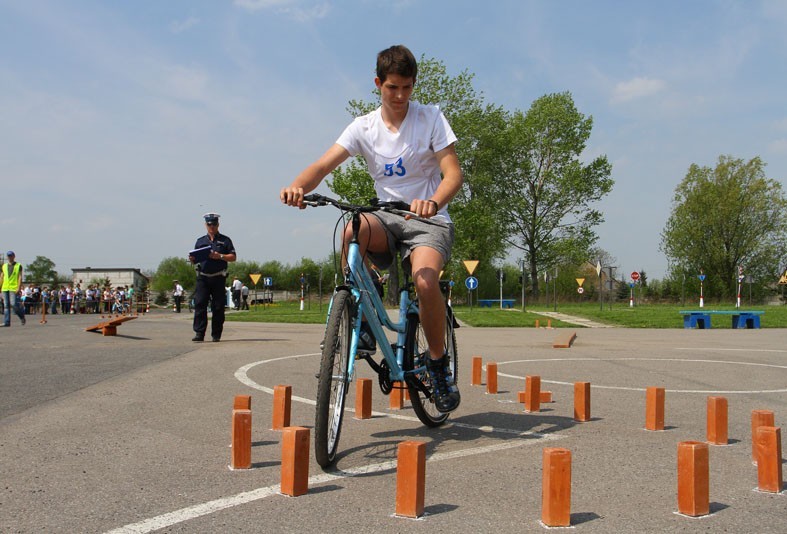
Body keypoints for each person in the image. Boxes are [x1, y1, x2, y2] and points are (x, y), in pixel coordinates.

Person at [280, 45, 462, 413]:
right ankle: (362, 316)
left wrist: (434, 201)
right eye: (392, 87)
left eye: (407, 88)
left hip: (427, 219)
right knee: (352, 230)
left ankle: (438, 365)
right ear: (378, 83)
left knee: (425, 281)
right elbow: (322, 166)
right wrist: (297, 186)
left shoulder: (430, 119)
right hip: (386, 218)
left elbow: (453, 174)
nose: (399, 96)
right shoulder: (364, 127)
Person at [189, 213, 236, 342]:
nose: (212, 227)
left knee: (218, 306)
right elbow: (195, 259)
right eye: (209, 224)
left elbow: (233, 257)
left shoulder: (225, 240)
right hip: (203, 278)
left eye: (214, 224)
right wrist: (192, 259)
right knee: (200, 304)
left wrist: (220, 256)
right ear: (206, 225)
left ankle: (216, 334)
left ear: (218, 225)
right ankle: (199, 333)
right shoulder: (200, 241)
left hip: (218, 278)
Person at [1, 251, 26, 326]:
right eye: (8, 256)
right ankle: (7, 322)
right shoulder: (4, 266)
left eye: (11, 256)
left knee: (14, 304)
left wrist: (19, 287)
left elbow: (20, 277)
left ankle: (22, 316)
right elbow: (2, 276)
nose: (9, 257)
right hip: (5, 287)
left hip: (13, 288)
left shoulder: (18, 265)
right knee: (6, 305)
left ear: (14, 256)